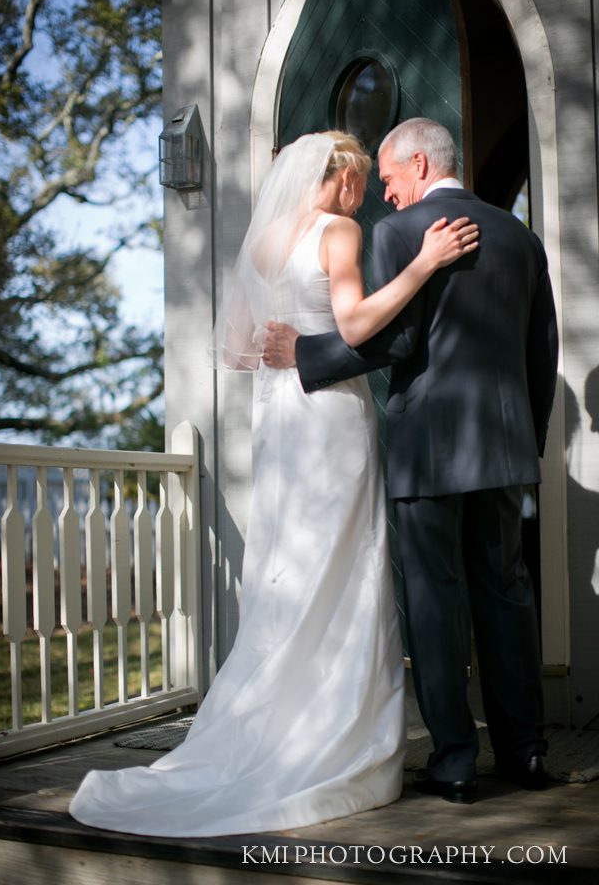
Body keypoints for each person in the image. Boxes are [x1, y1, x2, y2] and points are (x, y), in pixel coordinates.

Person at [69, 130, 478, 837]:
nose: (368, 194)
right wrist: (423, 266)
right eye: (361, 181)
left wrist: (289, 351)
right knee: (342, 568)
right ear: (342, 177)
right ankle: (333, 735)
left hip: (281, 420)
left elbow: (244, 349)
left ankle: (280, 725)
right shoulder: (340, 230)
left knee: (291, 567)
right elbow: (352, 326)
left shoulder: (264, 242)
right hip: (330, 418)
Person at [263, 118, 559, 805]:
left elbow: (390, 342)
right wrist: (528, 437)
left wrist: (304, 355)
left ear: (420, 164)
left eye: (391, 181)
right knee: (508, 595)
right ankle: (528, 752)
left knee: (434, 599)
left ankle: (456, 762)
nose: (387, 198)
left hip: (428, 447)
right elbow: (541, 353)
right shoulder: (523, 239)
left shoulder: (398, 236)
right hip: (505, 449)